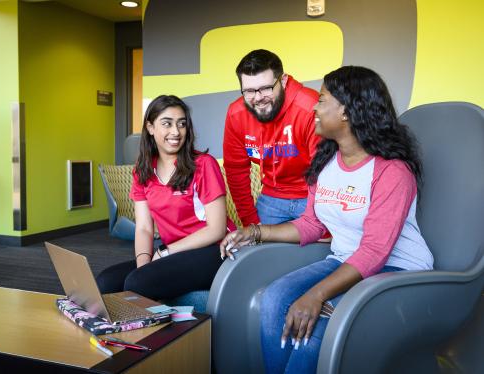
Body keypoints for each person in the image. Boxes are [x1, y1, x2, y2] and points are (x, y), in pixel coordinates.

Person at [220, 66, 434, 373]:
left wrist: (316, 295)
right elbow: (311, 225)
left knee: (314, 330)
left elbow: (374, 251)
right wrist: (254, 232)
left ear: (347, 111)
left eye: (322, 100)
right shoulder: (326, 162)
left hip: (398, 269)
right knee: (273, 299)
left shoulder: (392, 171)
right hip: (346, 260)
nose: (314, 108)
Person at [97, 95, 235, 301]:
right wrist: (143, 265)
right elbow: (144, 228)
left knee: (137, 284)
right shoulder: (142, 171)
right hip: (176, 253)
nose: (175, 132)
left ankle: (147, 331)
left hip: (216, 252)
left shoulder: (204, 165)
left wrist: (166, 251)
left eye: (181, 124)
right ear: (150, 127)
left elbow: (216, 229)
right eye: (167, 124)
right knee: (106, 282)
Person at [223, 49, 321, 226]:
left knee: (316, 250)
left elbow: (325, 171)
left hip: (312, 197)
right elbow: (236, 171)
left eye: (266, 88)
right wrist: (250, 222)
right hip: (272, 198)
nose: (258, 98)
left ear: (283, 81)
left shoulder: (310, 107)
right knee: (257, 251)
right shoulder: (236, 114)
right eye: (249, 91)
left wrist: (317, 221)